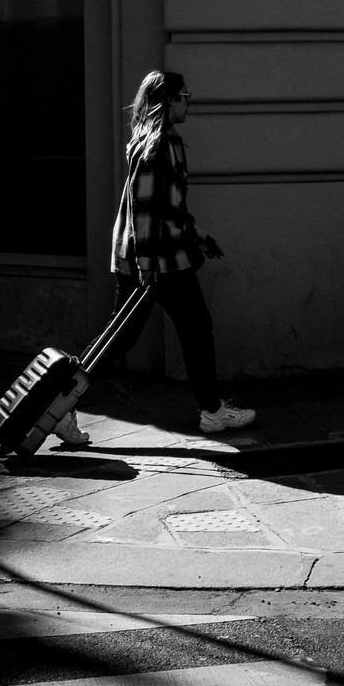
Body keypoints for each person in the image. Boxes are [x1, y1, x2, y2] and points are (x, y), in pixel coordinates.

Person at [104, 69, 255, 438]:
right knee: (194, 329)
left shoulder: (154, 140)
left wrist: (201, 237)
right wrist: (147, 265)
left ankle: (61, 403)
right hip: (159, 261)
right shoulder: (159, 145)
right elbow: (147, 211)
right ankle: (212, 411)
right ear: (168, 100)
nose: (190, 103)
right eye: (186, 97)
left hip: (149, 257)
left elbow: (167, 207)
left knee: (125, 336)